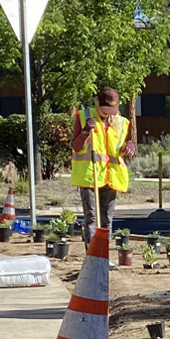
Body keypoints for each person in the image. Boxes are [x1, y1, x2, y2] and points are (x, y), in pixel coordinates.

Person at [70, 88, 136, 242]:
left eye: (111, 110)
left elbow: (120, 147)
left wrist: (129, 147)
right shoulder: (84, 116)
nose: (107, 114)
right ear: (97, 103)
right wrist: (86, 131)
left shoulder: (120, 122)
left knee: (106, 219)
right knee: (92, 218)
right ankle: (93, 258)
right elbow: (76, 147)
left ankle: (103, 255)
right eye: (105, 109)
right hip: (89, 175)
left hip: (111, 176)